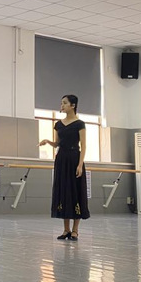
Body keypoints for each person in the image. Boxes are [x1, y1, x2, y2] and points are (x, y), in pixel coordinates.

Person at [39, 94, 90, 241]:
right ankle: (66, 229)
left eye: (64, 103)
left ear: (73, 105)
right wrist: (47, 141)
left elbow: (83, 145)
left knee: (75, 191)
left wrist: (80, 164)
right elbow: (57, 143)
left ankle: (75, 230)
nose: (61, 105)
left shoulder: (80, 124)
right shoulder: (58, 124)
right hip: (61, 159)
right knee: (63, 191)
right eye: (61, 103)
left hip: (74, 158)